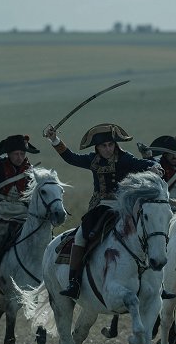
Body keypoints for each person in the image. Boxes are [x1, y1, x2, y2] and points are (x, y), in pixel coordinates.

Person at [43, 123, 163, 299]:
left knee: (150, 229)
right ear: (97, 148)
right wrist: (54, 139)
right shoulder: (92, 160)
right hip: (100, 207)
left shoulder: (124, 158)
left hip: (123, 207)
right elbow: (71, 158)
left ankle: (158, 280)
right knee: (80, 235)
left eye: (111, 145)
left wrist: (153, 165)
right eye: (103, 146)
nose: (108, 149)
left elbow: (142, 163)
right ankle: (74, 282)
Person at [0, 134, 39, 305]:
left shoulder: (30, 170)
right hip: (2, 212)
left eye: (22, 154)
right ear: (9, 154)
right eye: (16, 154)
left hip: (23, 214)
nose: (20, 157)